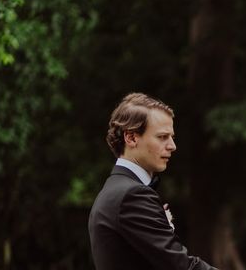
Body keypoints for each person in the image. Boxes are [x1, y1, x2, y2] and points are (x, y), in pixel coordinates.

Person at [88, 93, 219, 270]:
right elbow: (180, 266)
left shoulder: (118, 190)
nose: (172, 146)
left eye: (171, 137)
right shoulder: (131, 196)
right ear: (131, 138)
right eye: (162, 137)